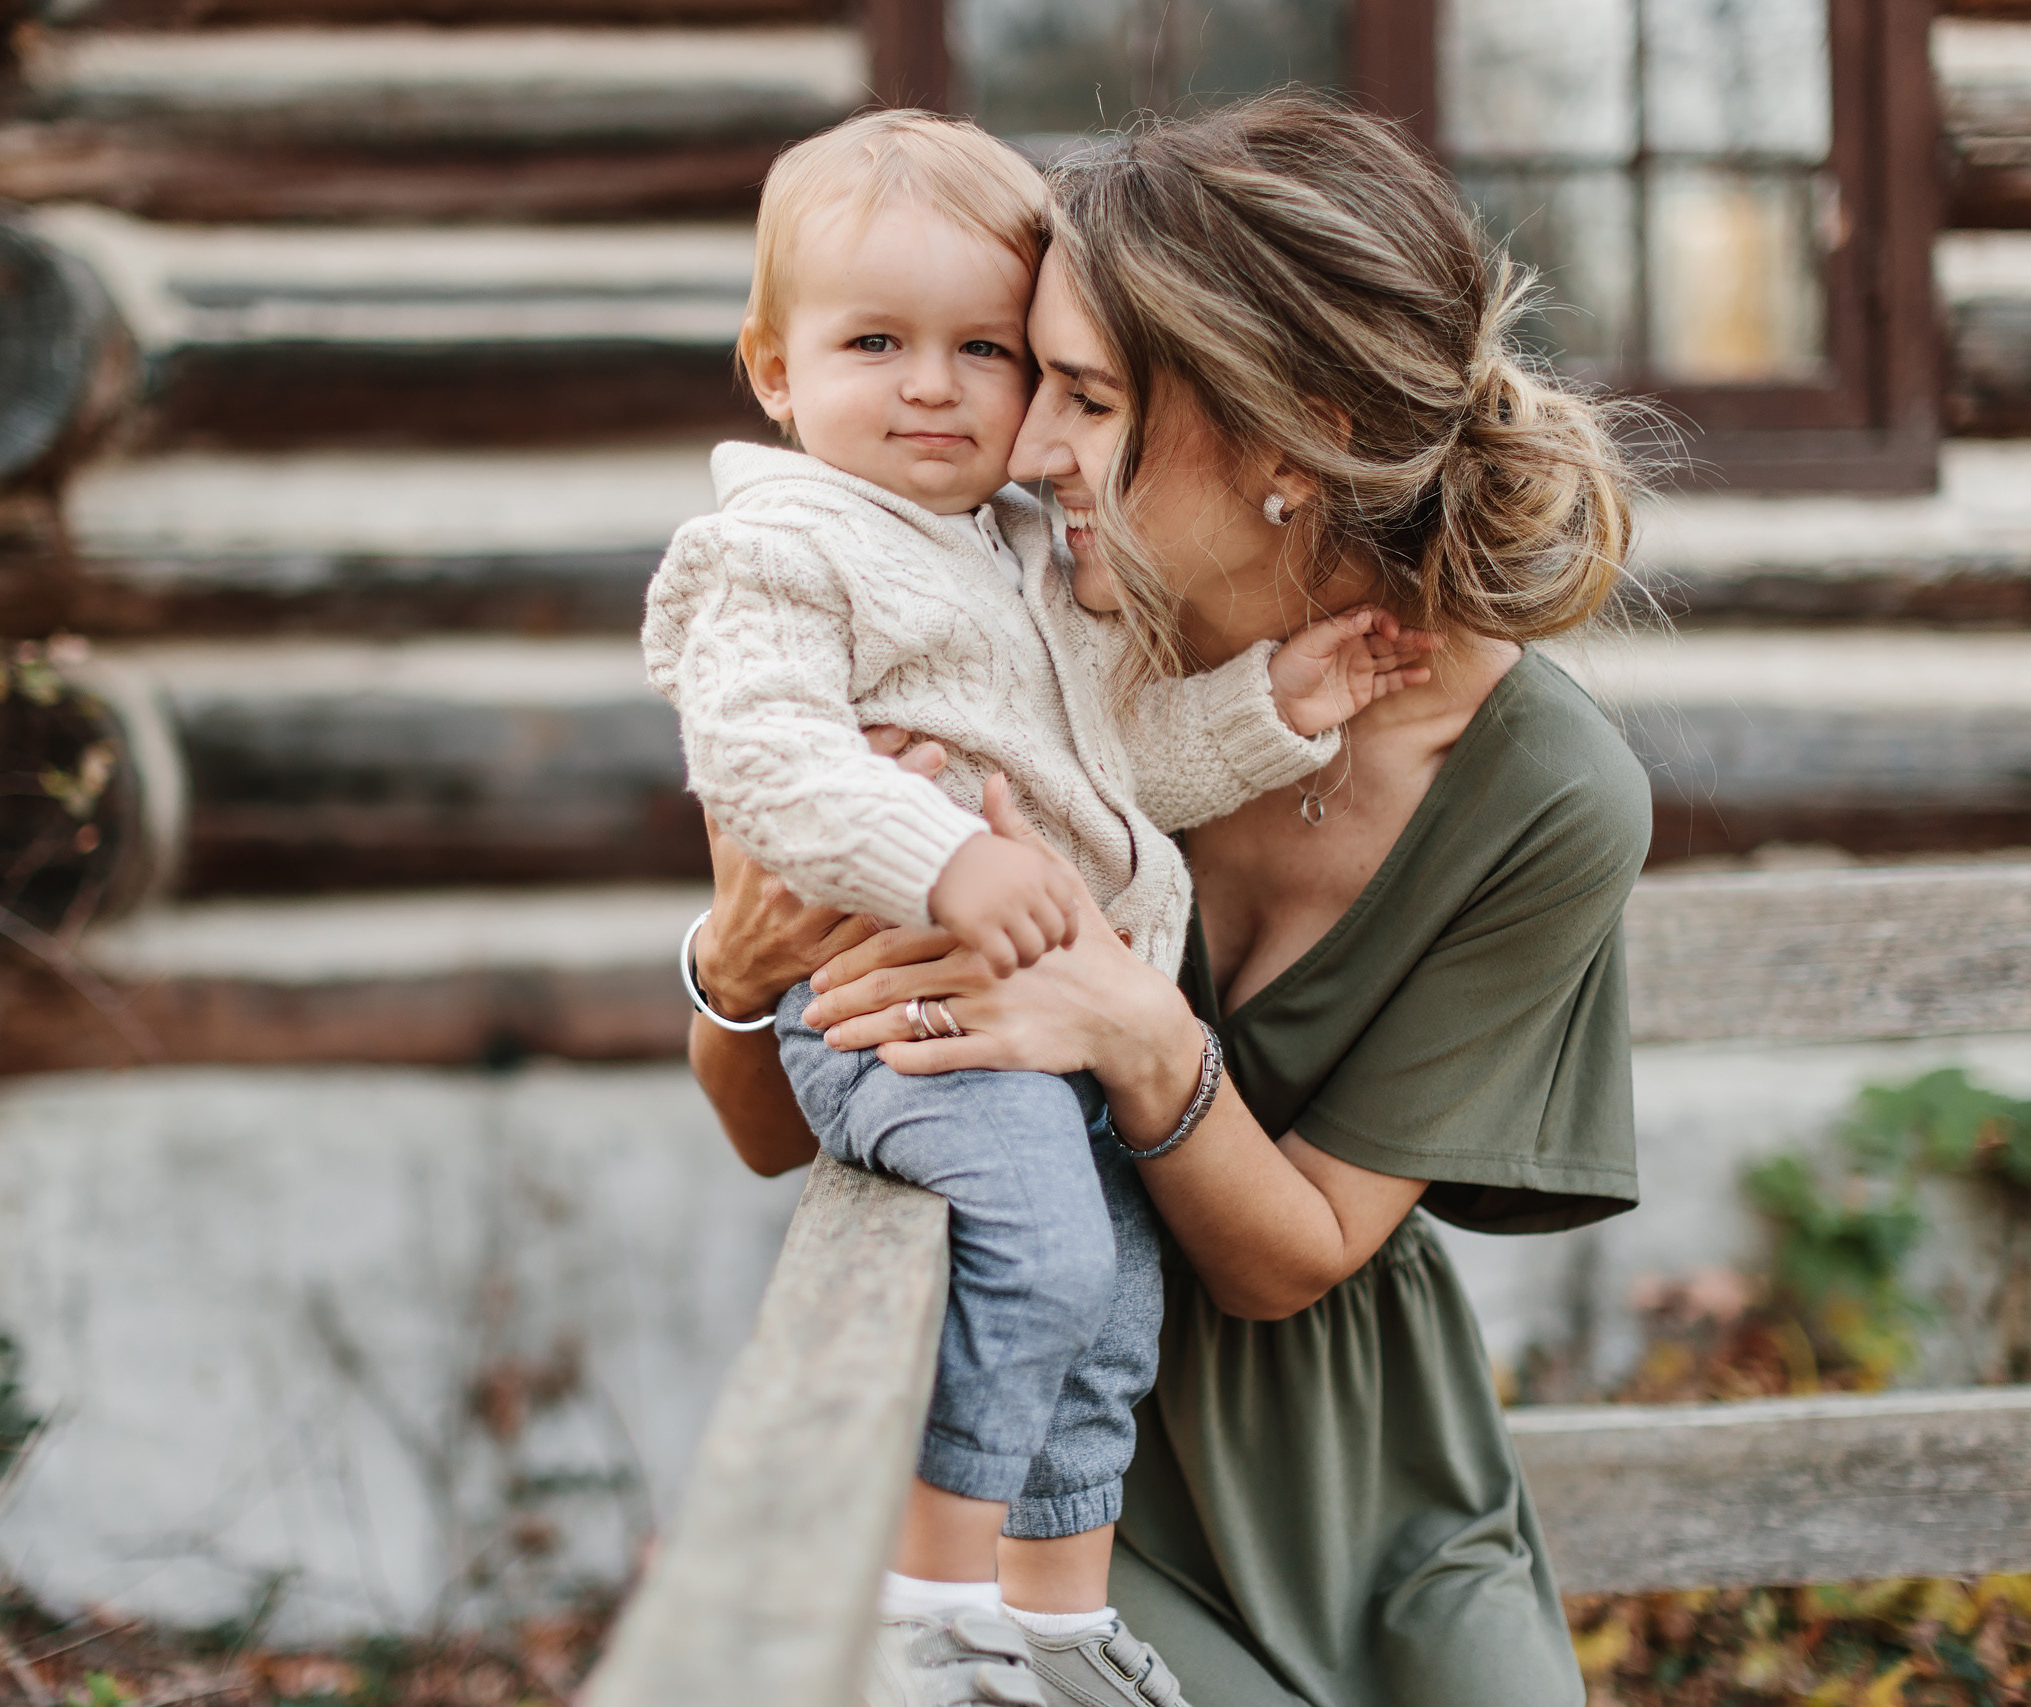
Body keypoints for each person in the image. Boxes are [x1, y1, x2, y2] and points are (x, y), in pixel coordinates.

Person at [683, 92, 1654, 1707]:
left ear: (1292, 435)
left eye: (1080, 393)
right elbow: (777, 1123)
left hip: (1363, 1480)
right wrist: (734, 960)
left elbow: (1298, 1259)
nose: (1026, 447)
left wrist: (1131, 1025)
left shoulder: (1546, 796)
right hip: (1048, 1456)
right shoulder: (1017, 656)